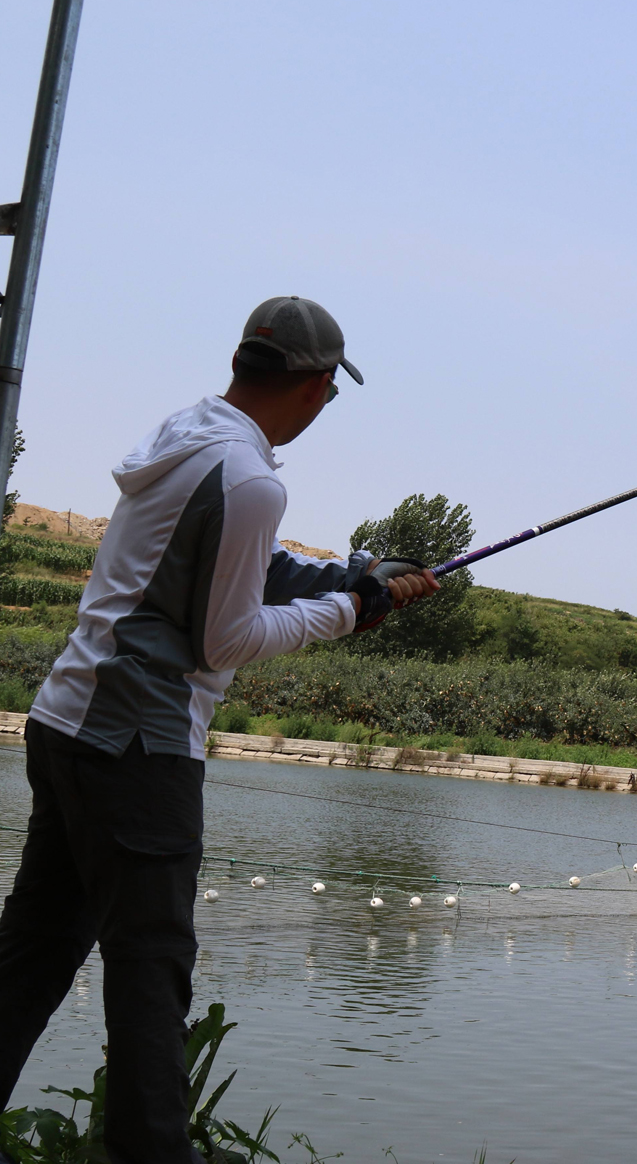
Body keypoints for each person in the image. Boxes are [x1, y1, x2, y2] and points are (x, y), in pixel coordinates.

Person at [0, 296, 439, 1162]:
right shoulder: (252, 479)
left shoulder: (193, 434)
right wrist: (353, 612)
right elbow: (225, 638)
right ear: (316, 388)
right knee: (151, 967)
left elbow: (239, 562)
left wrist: (353, 574)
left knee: (35, 953)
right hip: (137, 747)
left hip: (69, 722)